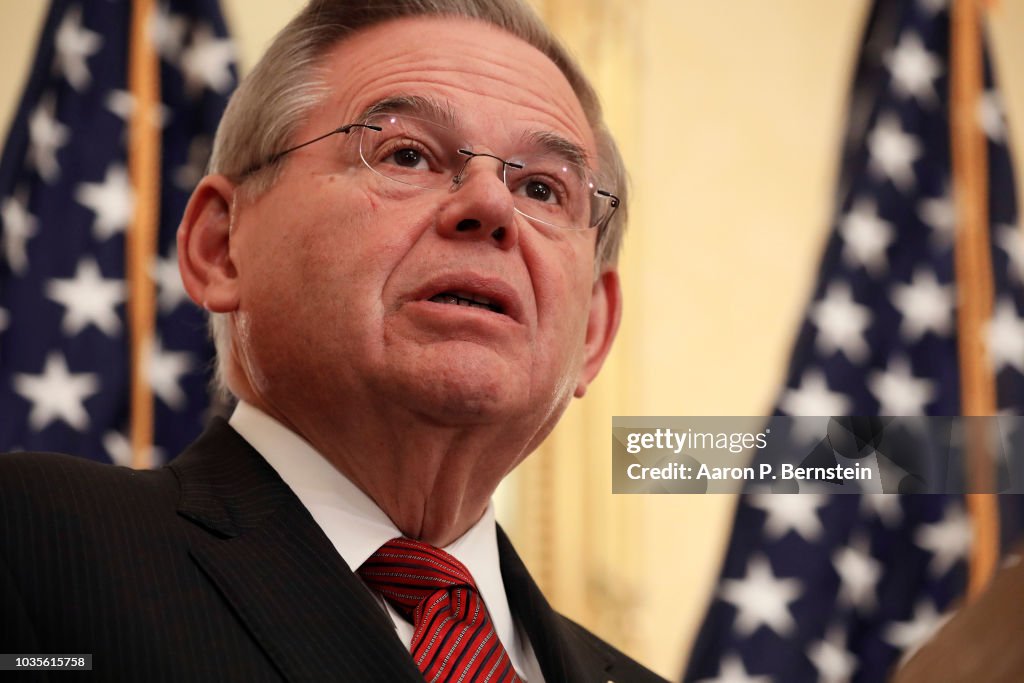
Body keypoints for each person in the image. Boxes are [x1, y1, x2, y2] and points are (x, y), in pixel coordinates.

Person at [0, 0, 664, 680]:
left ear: (592, 330)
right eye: (407, 153)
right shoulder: (32, 548)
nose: (492, 206)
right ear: (222, 247)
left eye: (543, 189)